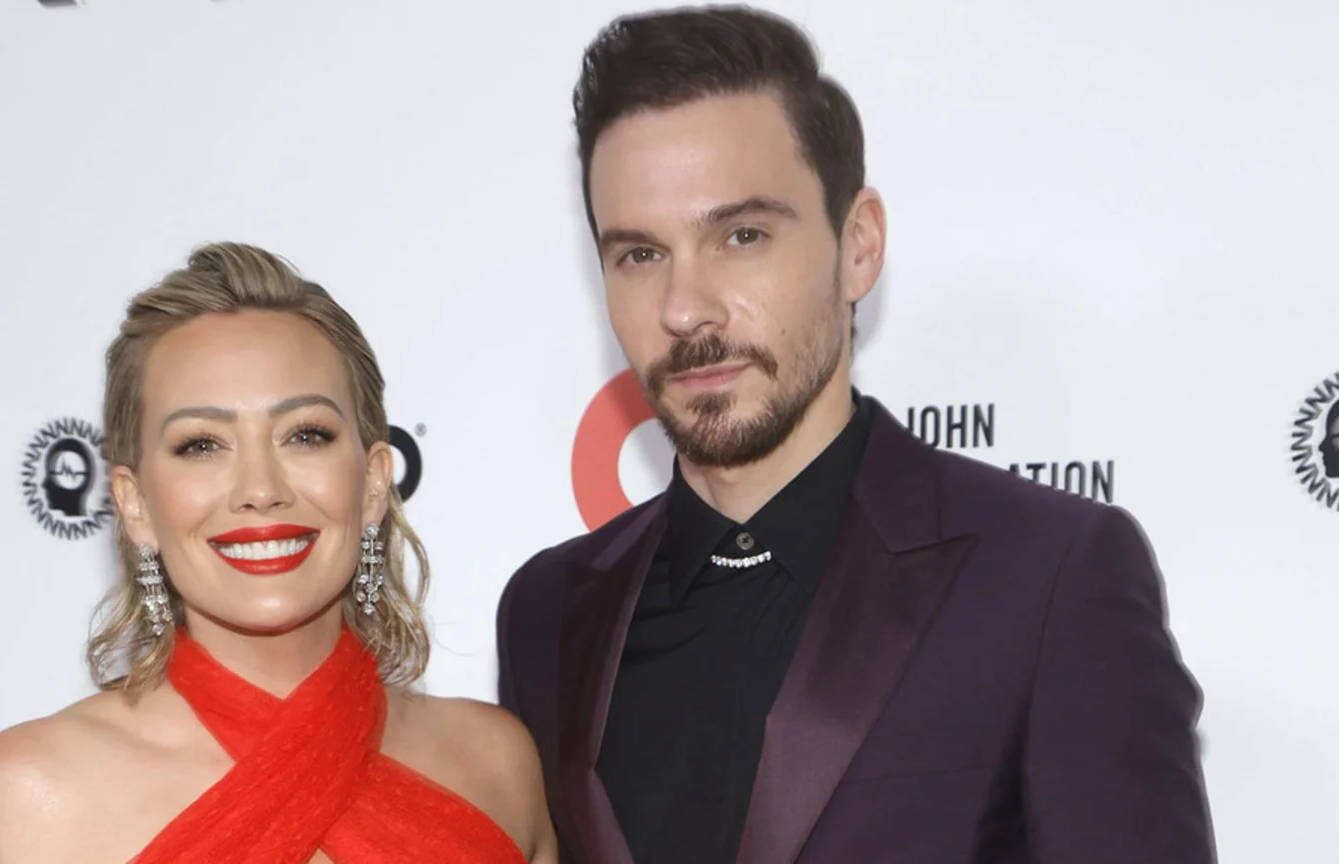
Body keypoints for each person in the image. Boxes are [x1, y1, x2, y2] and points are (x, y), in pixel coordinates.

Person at [495, 6, 1216, 864]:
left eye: (742, 235)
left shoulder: (1050, 577)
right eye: (640, 255)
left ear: (859, 245)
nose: (685, 308)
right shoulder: (546, 611)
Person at [0, 242, 556, 863]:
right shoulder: (34, 795)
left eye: (305, 435)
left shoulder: (495, 764)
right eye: (201, 445)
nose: (261, 490)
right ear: (134, 504)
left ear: (373, 482)